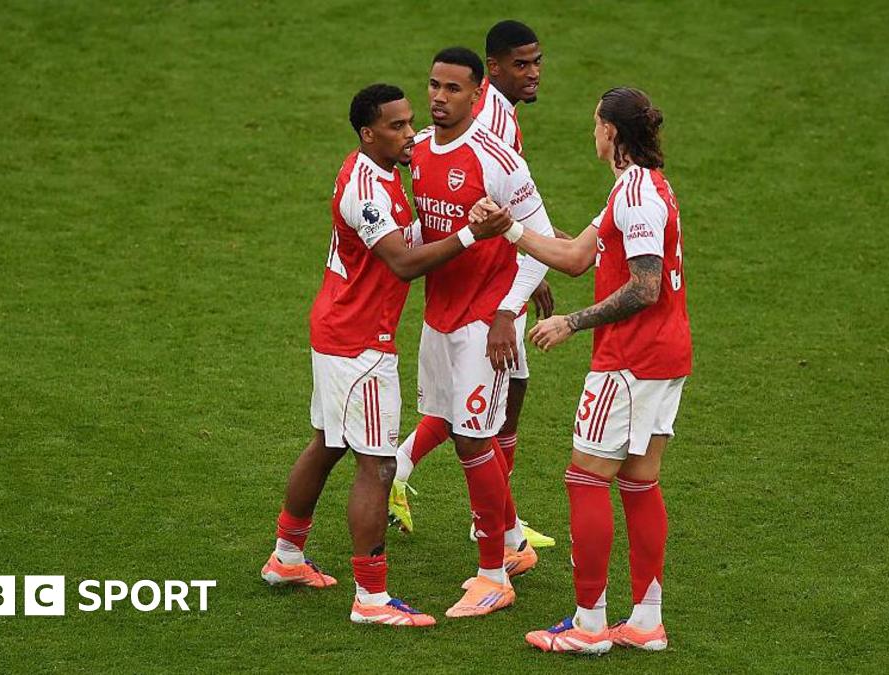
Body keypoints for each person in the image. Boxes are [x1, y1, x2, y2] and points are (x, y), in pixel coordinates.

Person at [259, 83, 513, 628]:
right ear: (367, 133)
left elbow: (414, 238)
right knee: (375, 467)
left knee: (327, 444)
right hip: (360, 345)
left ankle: (286, 557)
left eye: (410, 121)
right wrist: (472, 233)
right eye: (396, 127)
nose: (410, 134)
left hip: (336, 330)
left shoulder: (378, 172)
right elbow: (402, 262)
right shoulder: (368, 191)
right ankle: (371, 598)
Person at [476, 87, 689, 653]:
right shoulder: (636, 189)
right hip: (665, 357)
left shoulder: (636, 198)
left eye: (596, 124)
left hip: (631, 361)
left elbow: (643, 287)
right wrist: (511, 230)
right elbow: (574, 258)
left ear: (613, 134)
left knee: (586, 478)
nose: (591, 132)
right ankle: (646, 621)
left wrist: (573, 323)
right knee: (640, 483)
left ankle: (589, 625)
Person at [390, 20, 556, 551]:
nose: (439, 98)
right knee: (454, 419)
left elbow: (532, 227)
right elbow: (424, 216)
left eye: (452, 89)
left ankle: (499, 553)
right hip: (441, 313)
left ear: (476, 91)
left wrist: (512, 304)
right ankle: (500, 527)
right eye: (434, 87)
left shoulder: (493, 148)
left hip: (488, 311)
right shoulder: (417, 149)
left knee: (475, 431)